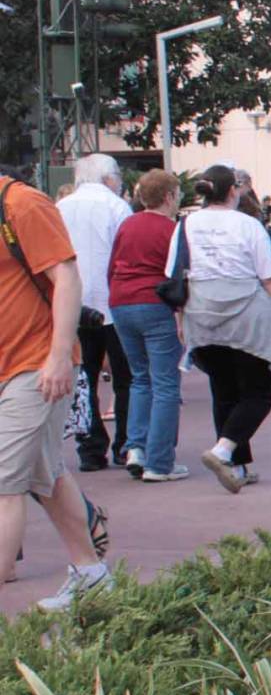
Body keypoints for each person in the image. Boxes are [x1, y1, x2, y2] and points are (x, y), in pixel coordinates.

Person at [0, 170, 116, 609]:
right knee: (44, 477)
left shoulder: (22, 204)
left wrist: (58, 355)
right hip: (10, 365)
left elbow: (66, 277)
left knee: (5, 485)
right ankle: (91, 575)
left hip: (34, 365)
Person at [179, 163, 271, 493]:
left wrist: (180, 320)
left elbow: (175, 274)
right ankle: (223, 451)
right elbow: (269, 278)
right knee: (259, 391)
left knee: (223, 389)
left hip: (201, 314)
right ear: (234, 191)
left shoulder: (185, 225)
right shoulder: (248, 225)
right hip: (245, 316)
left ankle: (236, 465)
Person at [55, 153, 135, 473]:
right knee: (125, 377)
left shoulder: (61, 207)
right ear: (108, 178)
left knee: (84, 377)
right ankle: (126, 444)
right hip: (113, 299)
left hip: (74, 302)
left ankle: (90, 447)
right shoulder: (117, 207)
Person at [107, 170, 188, 482]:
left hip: (122, 302)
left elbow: (112, 265)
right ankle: (160, 461)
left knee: (140, 378)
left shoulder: (127, 224)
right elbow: (178, 274)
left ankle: (135, 447)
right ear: (168, 196)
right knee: (166, 383)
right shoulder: (173, 229)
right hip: (155, 304)